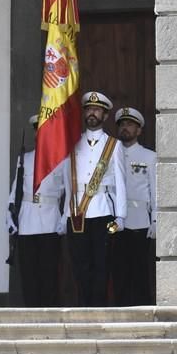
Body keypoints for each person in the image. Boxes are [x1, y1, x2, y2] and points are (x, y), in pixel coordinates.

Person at [58, 91, 127, 306]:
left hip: (103, 212)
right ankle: (83, 309)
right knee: (80, 264)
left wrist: (121, 216)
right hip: (76, 212)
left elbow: (121, 183)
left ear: (105, 115)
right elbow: (67, 180)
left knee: (101, 264)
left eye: (97, 110)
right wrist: (63, 215)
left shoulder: (113, 145)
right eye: (88, 109)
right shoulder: (72, 144)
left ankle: (99, 309)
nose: (92, 113)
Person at [6, 114, 64, 307]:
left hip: (50, 220)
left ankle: (49, 313)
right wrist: (10, 215)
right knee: (29, 273)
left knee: (49, 273)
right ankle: (31, 312)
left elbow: (70, 191)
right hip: (27, 221)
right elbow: (16, 189)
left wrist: (65, 218)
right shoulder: (25, 159)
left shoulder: (61, 160)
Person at [111, 107, 157, 306]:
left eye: (130, 124)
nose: (125, 128)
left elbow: (155, 191)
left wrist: (155, 219)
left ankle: (143, 310)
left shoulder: (149, 157)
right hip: (113, 220)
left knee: (139, 270)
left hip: (139, 219)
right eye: (122, 124)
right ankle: (120, 311)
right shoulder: (109, 155)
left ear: (139, 130)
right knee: (117, 268)